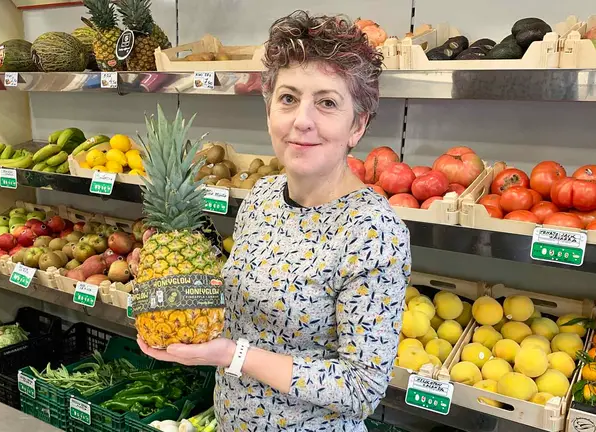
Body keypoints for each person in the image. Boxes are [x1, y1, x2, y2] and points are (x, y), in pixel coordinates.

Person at [138, 10, 411, 431]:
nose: (302, 120)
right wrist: (173, 283)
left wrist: (234, 356)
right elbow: (248, 300)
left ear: (357, 125)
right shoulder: (263, 196)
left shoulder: (374, 233)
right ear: (269, 112)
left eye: (327, 102)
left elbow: (362, 388)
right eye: (288, 98)